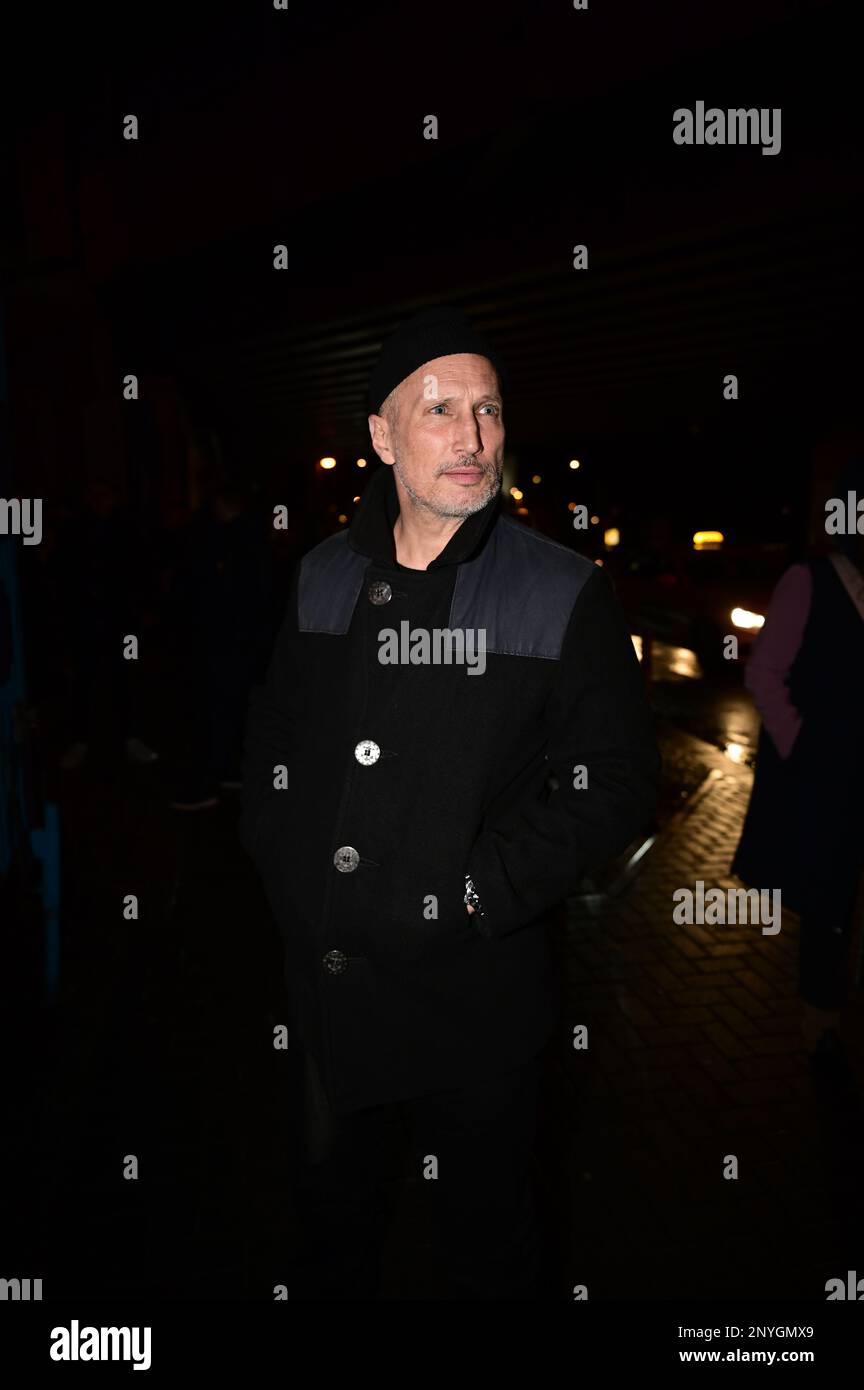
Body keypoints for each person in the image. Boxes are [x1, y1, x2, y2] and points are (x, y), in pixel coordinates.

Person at [239, 305, 660, 1299]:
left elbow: (617, 783)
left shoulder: (562, 590)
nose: (472, 438)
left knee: (489, 1252)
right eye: (439, 410)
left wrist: (477, 890)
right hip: (333, 993)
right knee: (330, 1232)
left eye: (488, 410)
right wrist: (285, 856)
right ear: (383, 437)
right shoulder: (321, 576)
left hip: (474, 1005)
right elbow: (274, 738)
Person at [733, 459, 864, 1069]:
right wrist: (805, 745)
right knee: (829, 904)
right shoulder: (808, 582)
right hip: (829, 779)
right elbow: (764, 672)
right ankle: (823, 1025)